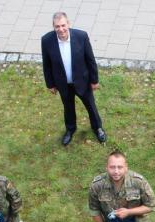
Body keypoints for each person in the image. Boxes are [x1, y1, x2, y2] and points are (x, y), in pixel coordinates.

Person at [41, 11, 106, 146]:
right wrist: (50, 84)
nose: (61, 29)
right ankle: (70, 130)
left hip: (82, 81)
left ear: (68, 24)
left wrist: (94, 80)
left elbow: (90, 60)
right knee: (68, 108)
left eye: (63, 25)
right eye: (57, 26)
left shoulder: (81, 36)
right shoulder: (46, 40)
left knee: (91, 106)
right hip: (63, 84)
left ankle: (97, 128)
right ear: (53, 27)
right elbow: (46, 64)